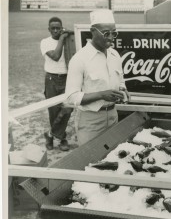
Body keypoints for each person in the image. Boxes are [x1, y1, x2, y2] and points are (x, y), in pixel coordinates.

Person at [65, 9, 130, 146]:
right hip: (90, 121)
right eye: (106, 33)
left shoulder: (115, 55)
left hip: (113, 115)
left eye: (114, 33)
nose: (111, 37)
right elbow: (71, 97)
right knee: (91, 160)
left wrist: (123, 91)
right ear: (93, 31)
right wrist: (101, 95)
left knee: (113, 156)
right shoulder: (80, 59)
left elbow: (121, 80)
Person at [40, 17, 73, 151]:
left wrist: (69, 33)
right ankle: (61, 137)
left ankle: (50, 134)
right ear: (49, 29)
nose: (55, 30)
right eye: (52, 28)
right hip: (51, 79)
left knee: (67, 108)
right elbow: (55, 56)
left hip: (67, 78)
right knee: (54, 111)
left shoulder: (67, 39)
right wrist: (61, 38)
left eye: (58, 28)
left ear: (61, 28)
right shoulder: (45, 42)